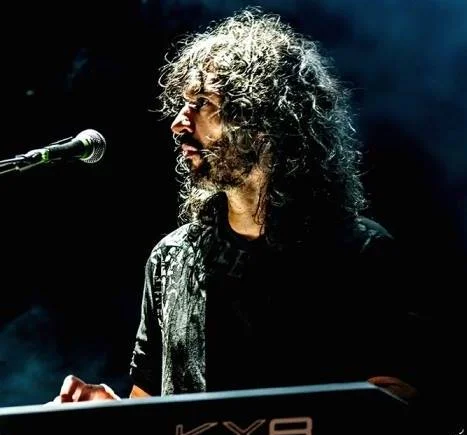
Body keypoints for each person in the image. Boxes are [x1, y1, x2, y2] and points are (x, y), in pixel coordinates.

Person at [54, 7, 434, 404]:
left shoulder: (360, 252)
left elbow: (396, 399)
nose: (179, 123)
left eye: (201, 102)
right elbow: (152, 414)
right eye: (183, 104)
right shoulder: (171, 259)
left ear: (261, 118)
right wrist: (108, 414)